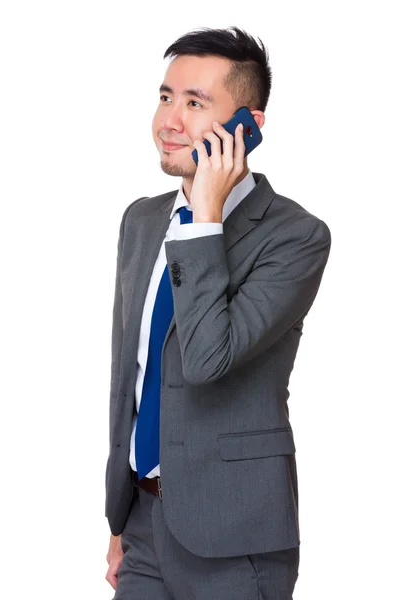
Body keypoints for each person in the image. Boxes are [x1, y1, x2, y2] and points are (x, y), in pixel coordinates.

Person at [104, 26, 331, 600]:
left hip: (236, 540)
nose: (169, 121)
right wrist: (117, 519)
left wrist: (204, 217)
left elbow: (206, 358)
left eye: (195, 103)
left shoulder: (295, 237)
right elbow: (128, 377)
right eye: (165, 97)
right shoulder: (140, 220)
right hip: (142, 527)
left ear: (248, 126)